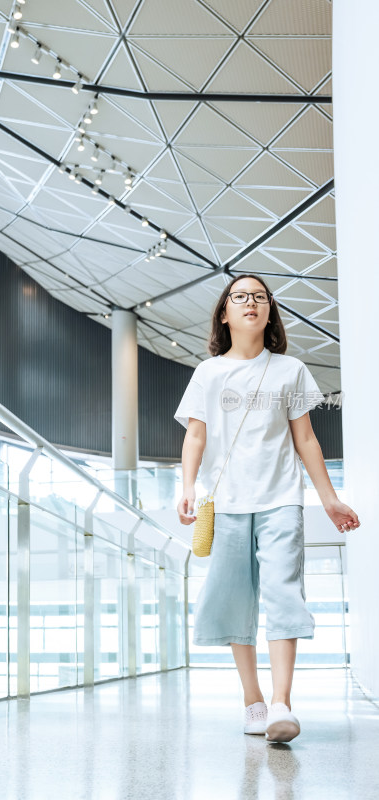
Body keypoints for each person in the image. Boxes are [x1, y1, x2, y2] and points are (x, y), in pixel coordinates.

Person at [174, 274, 360, 744]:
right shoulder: (207, 372)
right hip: (227, 502)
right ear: (225, 312)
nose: (251, 303)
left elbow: (306, 439)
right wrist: (187, 486)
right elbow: (195, 434)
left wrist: (329, 497)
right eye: (241, 297)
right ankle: (253, 701)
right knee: (237, 599)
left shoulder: (291, 370)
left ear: (269, 311)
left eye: (260, 297)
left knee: (282, 592)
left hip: (281, 500)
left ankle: (282, 703)